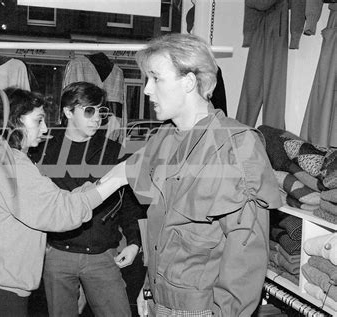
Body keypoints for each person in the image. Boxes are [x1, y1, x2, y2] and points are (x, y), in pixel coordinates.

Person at [100, 33, 282, 316]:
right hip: (158, 300)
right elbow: (165, 231)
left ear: (188, 82)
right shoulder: (165, 137)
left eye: (156, 78)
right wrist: (149, 288)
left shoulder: (236, 144)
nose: (147, 90)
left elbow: (246, 255)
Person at [0, 88, 125, 317]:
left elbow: (54, 200)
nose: (46, 129)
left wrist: (100, 185)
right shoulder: (12, 164)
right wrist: (117, 180)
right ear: (15, 122)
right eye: (38, 121)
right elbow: (60, 212)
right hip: (0, 290)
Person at [30, 81, 143, 317]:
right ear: (68, 112)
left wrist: (134, 242)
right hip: (58, 253)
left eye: (101, 112)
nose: (96, 119)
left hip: (102, 254)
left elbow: (129, 202)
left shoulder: (113, 151)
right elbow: (33, 203)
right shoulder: (43, 149)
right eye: (89, 111)